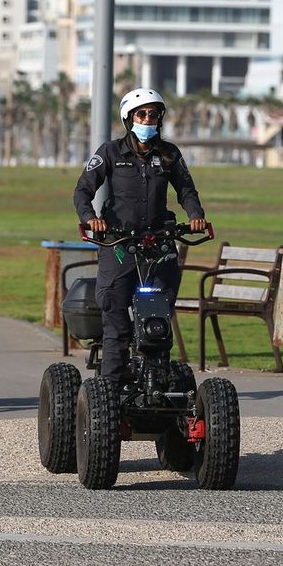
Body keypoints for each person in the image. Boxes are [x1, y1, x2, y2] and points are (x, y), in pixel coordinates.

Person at [73, 88, 208, 387]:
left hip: (158, 244)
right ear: (129, 118)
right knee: (116, 318)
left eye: (153, 114)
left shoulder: (170, 154)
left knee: (158, 319)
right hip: (119, 244)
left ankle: (159, 383)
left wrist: (195, 216)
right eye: (142, 114)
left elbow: (186, 190)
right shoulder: (109, 152)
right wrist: (90, 219)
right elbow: (82, 191)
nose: (148, 119)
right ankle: (110, 387)